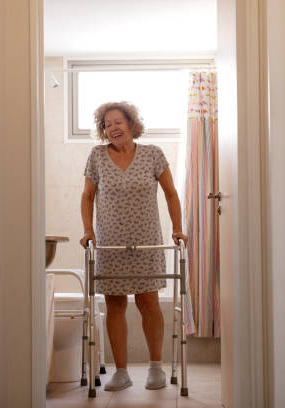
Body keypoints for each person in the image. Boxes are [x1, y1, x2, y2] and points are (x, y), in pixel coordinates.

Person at [79, 101, 188, 391]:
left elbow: (171, 194)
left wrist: (177, 229)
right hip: (111, 243)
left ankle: (155, 368)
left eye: (118, 121)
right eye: (107, 124)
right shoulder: (97, 156)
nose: (113, 127)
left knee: (148, 302)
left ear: (131, 123)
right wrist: (88, 230)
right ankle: (122, 372)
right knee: (115, 305)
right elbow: (88, 197)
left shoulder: (153, 154)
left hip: (146, 241)